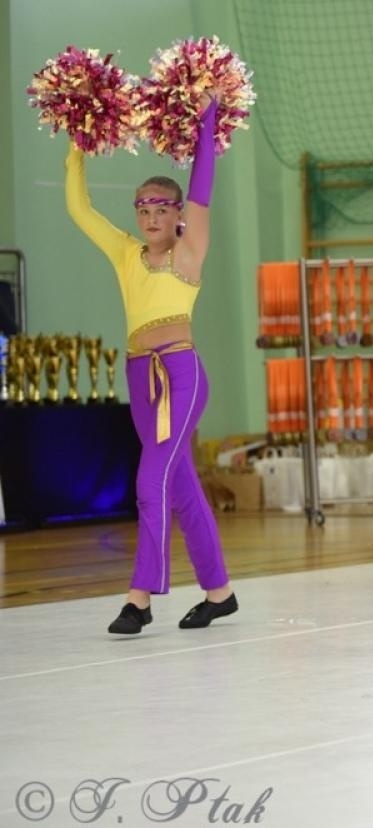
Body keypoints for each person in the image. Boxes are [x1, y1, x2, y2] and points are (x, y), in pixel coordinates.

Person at [65, 96, 237, 636]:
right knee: (181, 487)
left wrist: (208, 118)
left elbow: (203, 184)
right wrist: (79, 137)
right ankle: (220, 592)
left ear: (178, 213)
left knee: (150, 480)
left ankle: (139, 599)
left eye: (162, 206)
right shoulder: (125, 253)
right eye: (143, 207)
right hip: (140, 378)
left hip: (181, 374)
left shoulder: (190, 251)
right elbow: (79, 208)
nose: (151, 215)